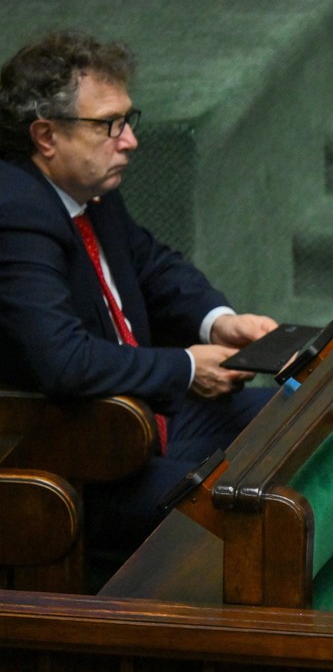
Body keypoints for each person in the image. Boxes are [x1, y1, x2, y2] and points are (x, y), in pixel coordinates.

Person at [0, 30, 278, 553]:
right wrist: (187, 368)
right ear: (46, 136)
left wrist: (219, 321)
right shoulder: (15, 214)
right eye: (109, 125)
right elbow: (65, 361)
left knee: (301, 426)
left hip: (142, 424)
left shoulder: (90, 190)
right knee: (261, 506)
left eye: (128, 120)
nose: (129, 140)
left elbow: (153, 265)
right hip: (76, 462)